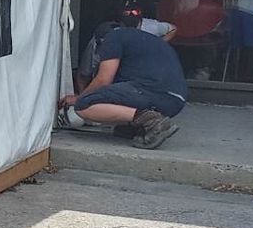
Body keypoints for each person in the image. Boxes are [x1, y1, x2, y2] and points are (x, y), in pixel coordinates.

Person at [59, 10, 187, 148]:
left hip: (153, 93)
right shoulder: (147, 40)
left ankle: (152, 121)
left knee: (83, 105)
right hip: (175, 102)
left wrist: (79, 98)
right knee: (118, 87)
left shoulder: (113, 38)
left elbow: (104, 80)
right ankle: (137, 125)